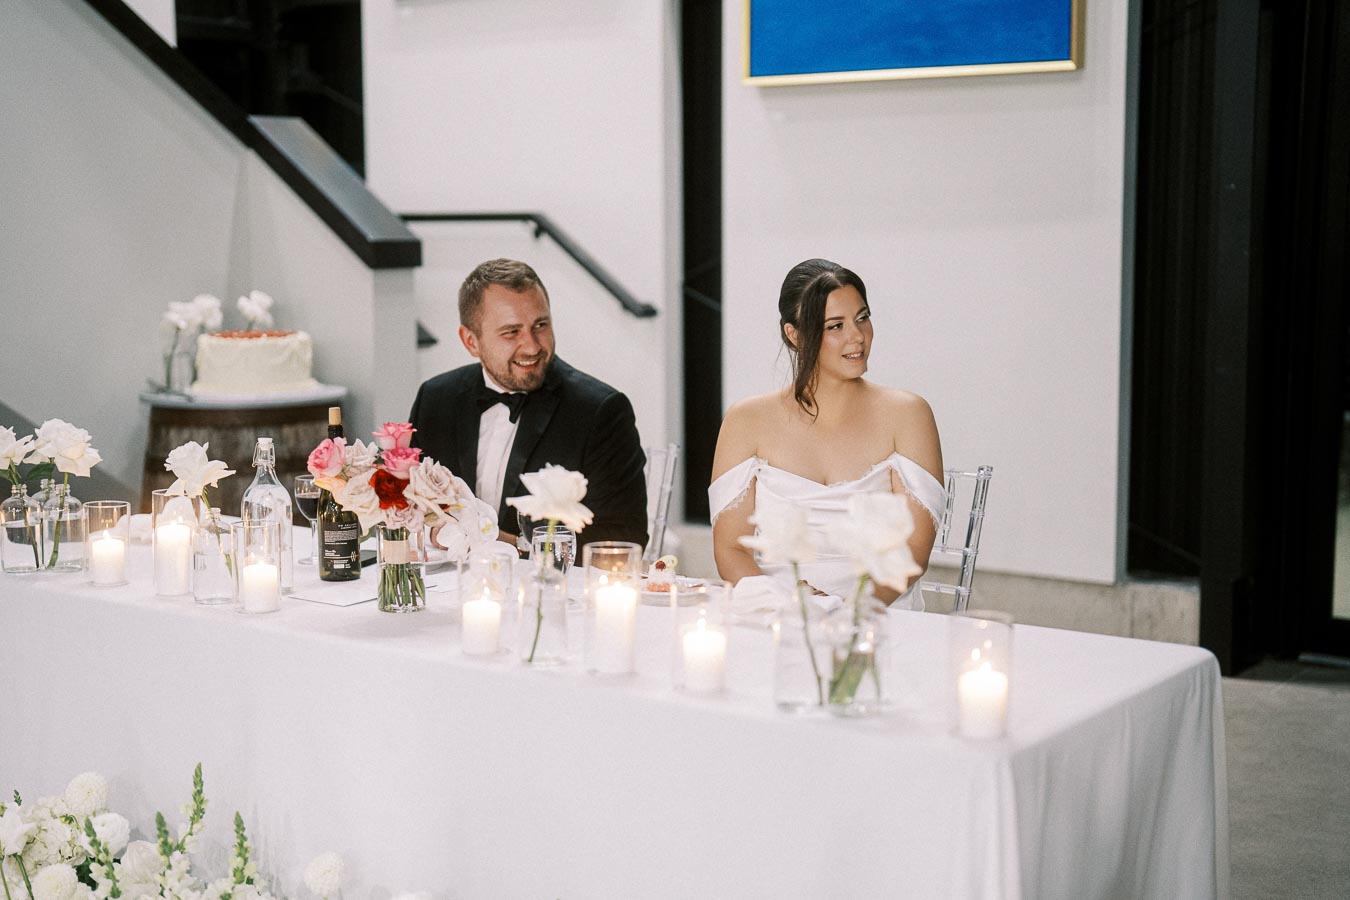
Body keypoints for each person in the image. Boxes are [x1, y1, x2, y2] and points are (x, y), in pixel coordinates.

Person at [709, 258, 944, 607]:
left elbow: (914, 550)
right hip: (780, 616)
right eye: (835, 326)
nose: (857, 336)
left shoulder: (908, 414)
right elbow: (730, 549)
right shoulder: (747, 420)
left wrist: (850, 615)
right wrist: (793, 605)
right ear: (795, 335)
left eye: (862, 318)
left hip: (879, 618)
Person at [409, 258, 649, 549]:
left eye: (540, 325)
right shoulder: (436, 398)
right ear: (471, 341)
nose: (533, 346)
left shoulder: (601, 411)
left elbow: (621, 541)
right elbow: (413, 509)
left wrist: (509, 544)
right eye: (512, 332)